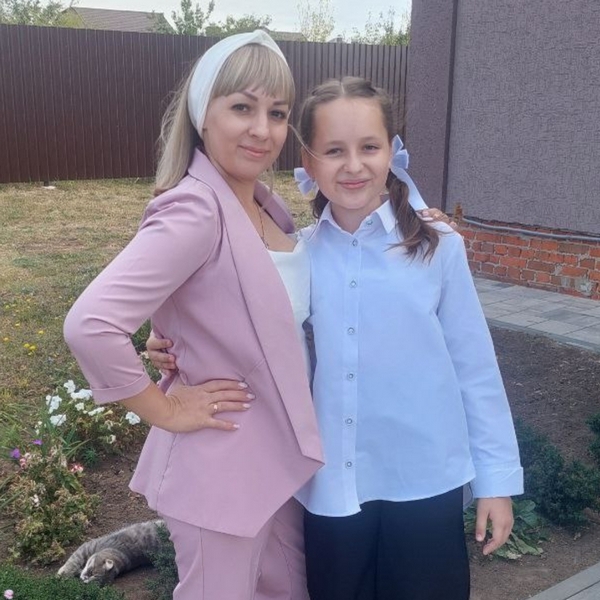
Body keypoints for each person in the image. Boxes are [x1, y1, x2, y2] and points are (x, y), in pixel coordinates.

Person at [149, 76, 523, 600]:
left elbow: (475, 368)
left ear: (392, 151)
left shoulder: (437, 248)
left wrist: (496, 480)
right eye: (333, 150)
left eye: (369, 147)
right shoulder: (294, 256)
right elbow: (232, 323)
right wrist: (168, 345)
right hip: (331, 490)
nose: (353, 166)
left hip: (424, 480)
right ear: (308, 159)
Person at [64, 30, 326, 600]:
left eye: (277, 113)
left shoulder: (265, 205)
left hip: (277, 464)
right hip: (221, 470)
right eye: (242, 108)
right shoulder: (195, 209)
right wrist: (164, 409)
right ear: (203, 114)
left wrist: (413, 221)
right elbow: (91, 324)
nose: (262, 129)